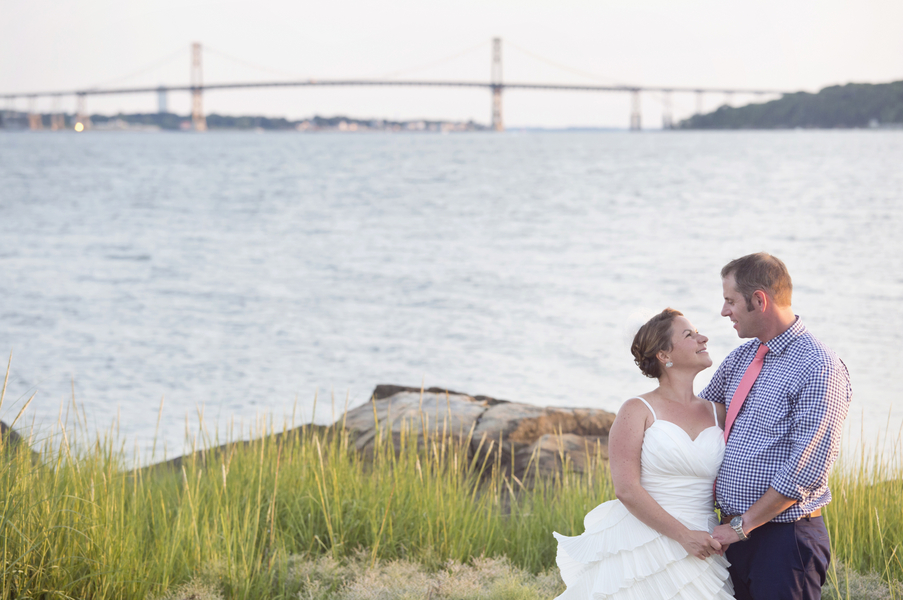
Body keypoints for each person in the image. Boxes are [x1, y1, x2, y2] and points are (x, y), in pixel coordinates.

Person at [554, 308, 734, 600]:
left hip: (705, 542)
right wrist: (683, 536)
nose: (703, 338)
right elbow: (626, 489)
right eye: (689, 334)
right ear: (664, 355)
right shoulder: (636, 410)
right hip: (643, 541)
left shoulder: (719, 412)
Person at [701, 253, 851, 600]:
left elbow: (808, 467)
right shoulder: (741, 357)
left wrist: (743, 525)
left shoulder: (819, 366)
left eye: (730, 301)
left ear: (759, 300)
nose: (724, 312)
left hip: (784, 541)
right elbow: (701, 415)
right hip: (733, 537)